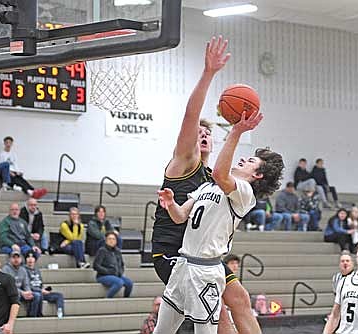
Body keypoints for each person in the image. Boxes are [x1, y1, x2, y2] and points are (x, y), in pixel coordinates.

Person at [150, 36, 261, 334]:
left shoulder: (216, 176)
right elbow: (191, 116)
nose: (201, 135)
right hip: (173, 251)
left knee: (239, 298)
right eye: (196, 133)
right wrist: (209, 73)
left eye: (206, 133)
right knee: (219, 317)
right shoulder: (184, 162)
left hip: (205, 256)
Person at [153, 111, 284, 333]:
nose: (243, 159)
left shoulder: (242, 191)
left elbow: (221, 173)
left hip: (206, 266)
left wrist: (235, 132)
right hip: (179, 258)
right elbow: (180, 216)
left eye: (250, 161)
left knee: (234, 303)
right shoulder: (204, 183)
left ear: (257, 175)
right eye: (200, 133)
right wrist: (171, 203)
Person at [93, 231, 133, 299]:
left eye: (113, 239)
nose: (111, 241)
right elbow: (96, 265)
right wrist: (108, 271)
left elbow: (122, 264)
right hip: (103, 276)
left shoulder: (118, 251)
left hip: (117, 275)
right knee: (119, 282)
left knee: (129, 283)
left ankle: (126, 299)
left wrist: (120, 272)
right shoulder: (102, 250)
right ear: (106, 241)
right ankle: (107, 299)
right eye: (109, 239)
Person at [24, 252, 64, 318]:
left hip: (41, 291)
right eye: (28, 257)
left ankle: (60, 312)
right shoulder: (24, 270)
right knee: (38, 295)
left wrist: (44, 289)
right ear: (25, 259)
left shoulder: (37, 270)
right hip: (33, 292)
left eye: (32, 257)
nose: (30, 259)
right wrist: (41, 290)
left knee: (59, 295)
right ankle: (34, 315)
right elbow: (26, 285)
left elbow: (40, 282)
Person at [1, 251, 41, 317]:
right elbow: (8, 286)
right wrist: (22, 293)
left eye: (18, 257)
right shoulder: (5, 269)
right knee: (16, 296)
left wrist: (28, 292)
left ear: (21, 259)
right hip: (10, 293)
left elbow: (26, 284)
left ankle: (32, 316)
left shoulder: (23, 269)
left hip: (21, 292)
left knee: (37, 295)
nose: (16, 260)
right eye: (14, 258)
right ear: (10, 259)